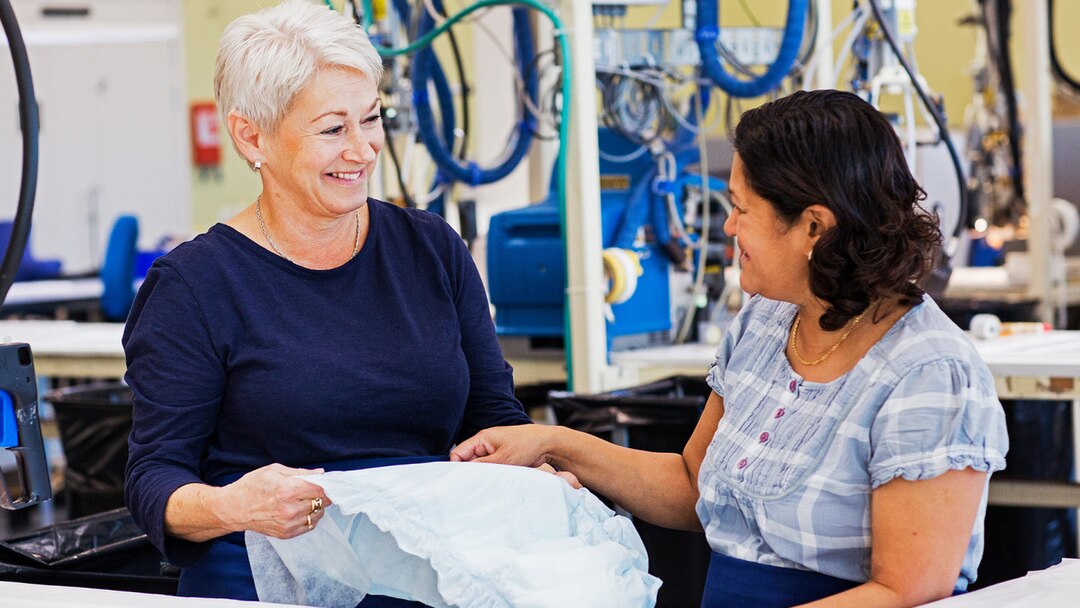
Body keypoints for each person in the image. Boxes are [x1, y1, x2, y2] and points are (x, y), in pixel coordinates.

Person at [452, 89, 1009, 608]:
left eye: (742, 208)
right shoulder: (766, 323)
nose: (729, 226)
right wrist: (550, 442)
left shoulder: (928, 374)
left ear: (813, 227)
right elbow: (693, 486)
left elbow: (905, 591)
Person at [122, 1, 532, 604]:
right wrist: (234, 504)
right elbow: (154, 479)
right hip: (263, 585)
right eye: (333, 129)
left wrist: (532, 468)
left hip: (431, 579)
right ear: (250, 135)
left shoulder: (431, 250)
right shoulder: (195, 287)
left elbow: (494, 416)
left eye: (372, 119)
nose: (364, 151)